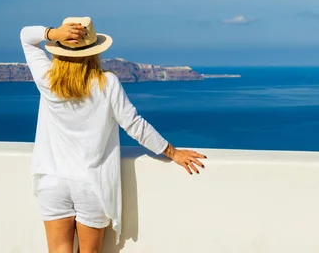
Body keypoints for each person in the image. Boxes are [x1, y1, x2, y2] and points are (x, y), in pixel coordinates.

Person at [20, 17, 206, 253]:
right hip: (91, 184)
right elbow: (134, 125)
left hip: (52, 182)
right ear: (94, 52)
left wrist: (53, 33)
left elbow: (26, 36)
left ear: (59, 50)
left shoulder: (46, 78)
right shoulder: (106, 83)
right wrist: (173, 153)